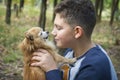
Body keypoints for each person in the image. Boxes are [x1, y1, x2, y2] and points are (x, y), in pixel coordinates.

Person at [31, 0, 118, 80]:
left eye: (59, 28)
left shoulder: (94, 67)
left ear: (77, 32)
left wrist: (51, 70)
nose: (53, 32)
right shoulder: (71, 52)